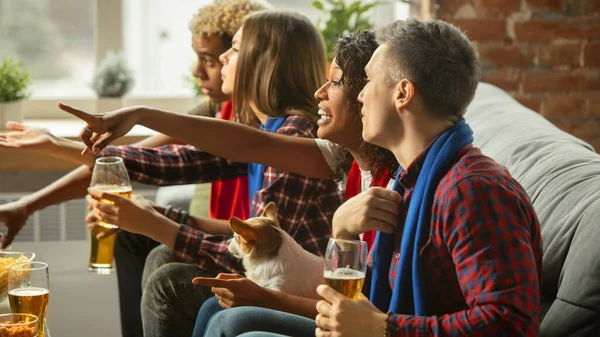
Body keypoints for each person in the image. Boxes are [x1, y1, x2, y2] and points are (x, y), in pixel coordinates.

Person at [194, 18, 543, 337]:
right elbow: (359, 296)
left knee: (234, 324)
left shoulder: (472, 190)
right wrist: (342, 232)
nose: (360, 95)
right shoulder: (411, 181)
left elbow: (511, 322)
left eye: (370, 81)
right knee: (221, 311)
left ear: (402, 94)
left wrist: (384, 327)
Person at [64, 10, 343, 337]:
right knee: (158, 253)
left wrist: (155, 220)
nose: (223, 57)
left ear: (263, 62)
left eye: (235, 48)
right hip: (263, 268)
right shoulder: (264, 128)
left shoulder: (292, 136)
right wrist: (56, 147)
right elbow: (180, 162)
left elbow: (253, 261)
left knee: (168, 282)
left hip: (287, 284)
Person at [0, 1, 266, 336]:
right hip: (227, 239)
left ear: (252, 61)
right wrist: (29, 204)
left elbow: (268, 243)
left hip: (241, 246)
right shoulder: (215, 108)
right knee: (131, 234)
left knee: (159, 266)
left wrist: (159, 217)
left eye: (211, 60)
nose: (198, 71)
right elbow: (132, 163)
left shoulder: (274, 137)